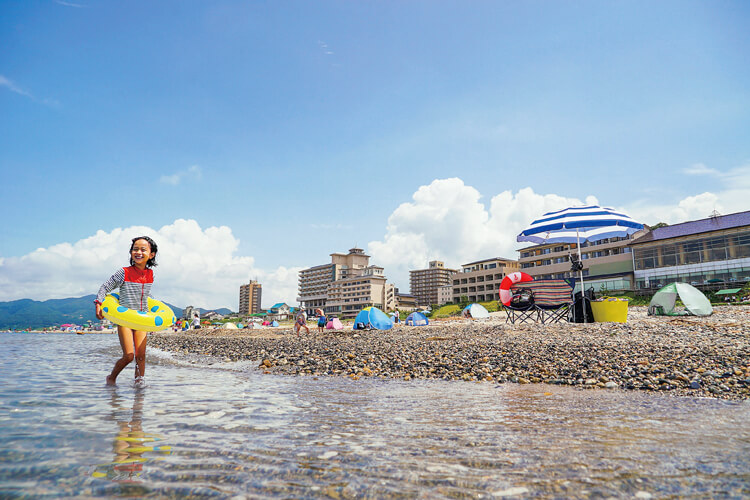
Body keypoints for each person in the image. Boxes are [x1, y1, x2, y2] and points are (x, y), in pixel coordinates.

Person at [95, 236, 158, 386]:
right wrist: (98, 303)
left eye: (143, 249)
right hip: (125, 319)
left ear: (151, 254)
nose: (138, 252)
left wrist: (152, 320)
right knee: (129, 355)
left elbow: (146, 296)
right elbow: (105, 287)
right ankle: (111, 378)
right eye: (135, 249)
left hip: (142, 318)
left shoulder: (150, 274)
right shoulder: (124, 272)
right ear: (131, 252)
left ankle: (139, 385)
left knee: (141, 356)